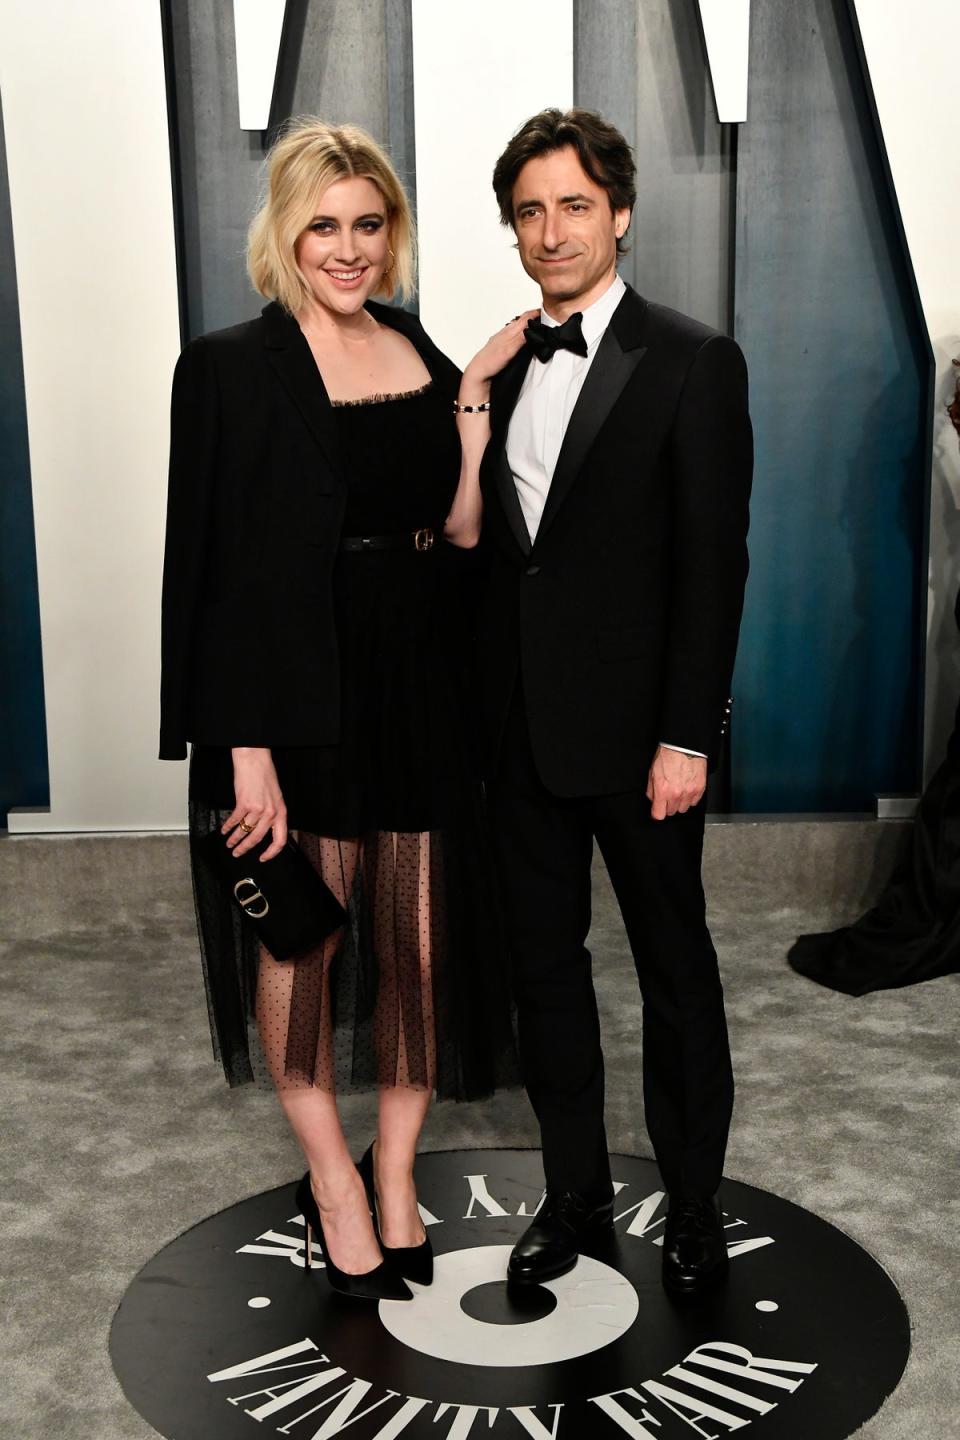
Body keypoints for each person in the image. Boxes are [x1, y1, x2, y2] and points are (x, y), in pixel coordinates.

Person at [159, 118, 520, 1301]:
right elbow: (210, 573)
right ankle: (331, 1181)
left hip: (423, 692)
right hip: (296, 702)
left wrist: (470, 411)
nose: (350, 248)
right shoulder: (226, 365)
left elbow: (461, 534)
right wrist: (241, 753)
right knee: (302, 949)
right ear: (285, 230)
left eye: (369, 224)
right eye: (325, 225)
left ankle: (398, 1169)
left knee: (416, 952)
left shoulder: (414, 344)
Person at [455, 108, 753, 1294]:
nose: (551, 230)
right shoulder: (500, 360)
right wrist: (471, 401)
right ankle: (574, 1193)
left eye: (574, 205)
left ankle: (691, 1207)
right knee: (546, 974)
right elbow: (489, 555)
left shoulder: (691, 359)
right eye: (530, 211)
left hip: (643, 746)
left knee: (675, 971)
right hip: (518, 737)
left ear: (620, 214)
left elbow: (713, 566)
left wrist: (689, 734)